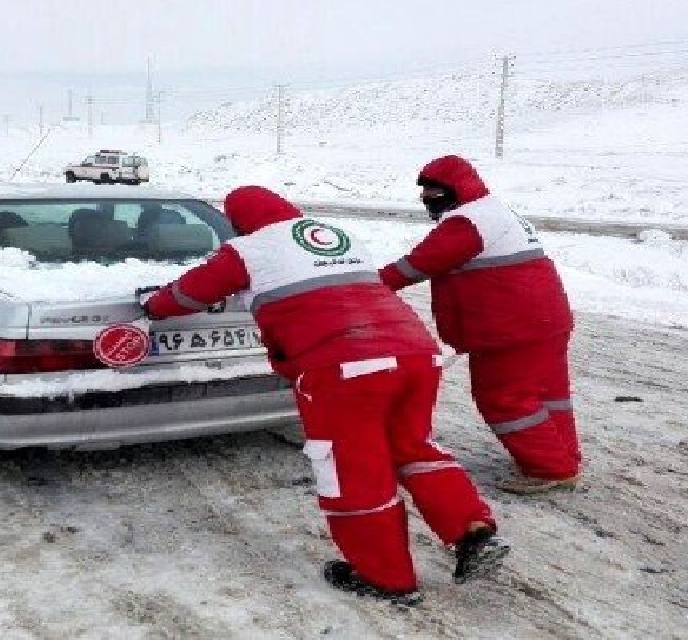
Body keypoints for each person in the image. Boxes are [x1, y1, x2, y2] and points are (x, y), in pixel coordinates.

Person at [141, 185, 509, 604]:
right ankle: (472, 529)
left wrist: (152, 307)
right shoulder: (336, 234)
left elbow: (191, 293)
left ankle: (385, 578)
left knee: (354, 468)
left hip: (345, 366)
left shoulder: (248, 249)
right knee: (413, 446)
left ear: (238, 223)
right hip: (415, 354)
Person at [378, 155, 581, 495]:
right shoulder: (495, 212)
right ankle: (563, 458)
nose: (426, 198)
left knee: (504, 397)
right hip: (546, 319)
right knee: (548, 393)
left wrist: (362, 286)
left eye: (432, 190)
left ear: (454, 189)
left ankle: (550, 467)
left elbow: (416, 265)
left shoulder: (467, 222)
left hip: (511, 329)